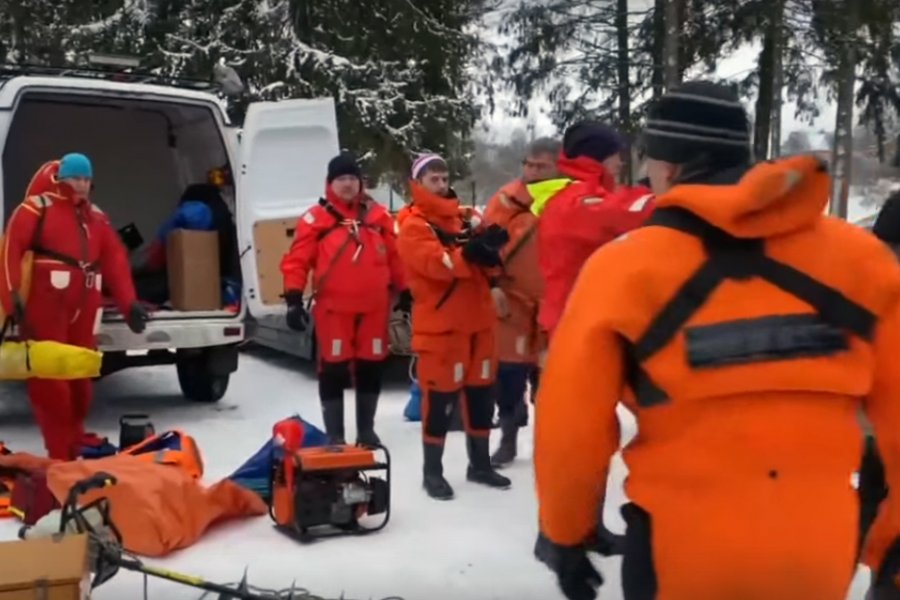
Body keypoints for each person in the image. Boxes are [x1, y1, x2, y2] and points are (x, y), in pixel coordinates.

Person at [533, 80, 900, 600]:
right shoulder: (861, 260)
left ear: (670, 166)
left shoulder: (624, 268)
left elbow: (570, 425)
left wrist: (566, 533)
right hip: (816, 550)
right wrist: (893, 551)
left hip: (677, 551)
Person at [0, 153, 148, 460]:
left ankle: (76, 436)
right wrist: (11, 296)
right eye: (75, 177)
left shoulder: (97, 218)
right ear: (61, 178)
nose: (81, 184)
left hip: (85, 306)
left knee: (81, 375)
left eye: (86, 178)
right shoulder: (36, 209)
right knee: (50, 381)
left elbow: (115, 260)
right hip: (46, 305)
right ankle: (60, 450)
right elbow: (10, 250)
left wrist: (128, 303)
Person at [397, 152, 511, 500]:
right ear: (418, 182)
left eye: (444, 176)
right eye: (433, 178)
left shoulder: (466, 216)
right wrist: (471, 255)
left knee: (481, 396)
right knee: (440, 400)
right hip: (442, 327)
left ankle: (479, 465)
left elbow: (488, 256)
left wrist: (493, 256)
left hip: (479, 323)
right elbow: (438, 264)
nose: (441, 183)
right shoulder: (413, 223)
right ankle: (433, 472)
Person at [280, 152, 407, 446]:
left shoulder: (377, 217)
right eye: (341, 179)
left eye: (352, 178)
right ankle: (335, 434)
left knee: (371, 366)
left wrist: (407, 291)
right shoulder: (316, 219)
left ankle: (366, 430)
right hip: (334, 310)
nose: (348, 184)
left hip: (374, 309)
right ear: (330, 183)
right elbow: (297, 261)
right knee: (334, 368)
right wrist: (293, 299)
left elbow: (397, 257)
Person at [529, 121, 654, 338]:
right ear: (599, 156)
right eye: (616, 154)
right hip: (577, 325)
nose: (621, 161)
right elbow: (627, 213)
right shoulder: (577, 201)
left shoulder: (579, 194)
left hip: (576, 318)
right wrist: (668, 188)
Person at [482, 137, 560, 466]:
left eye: (541, 166)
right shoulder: (505, 199)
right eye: (528, 164)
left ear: (557, 166)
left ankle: (549, 442)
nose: (532, 171)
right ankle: (509, 437)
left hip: (554, 300)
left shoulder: (569, 198)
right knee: (509, 373)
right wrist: (492, 285)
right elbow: (483, 245)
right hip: (512, 297)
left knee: (550, 377)